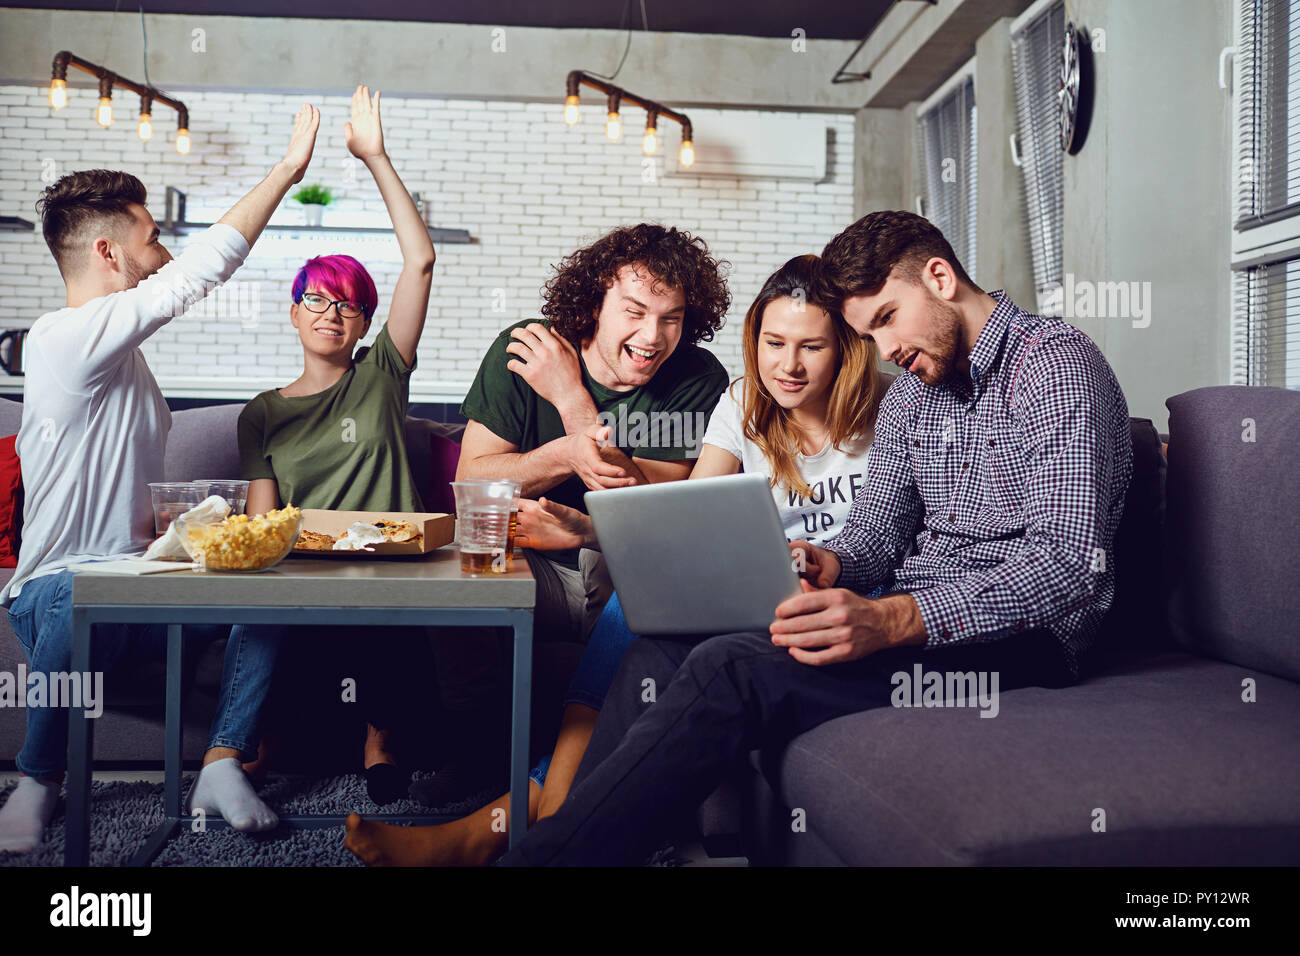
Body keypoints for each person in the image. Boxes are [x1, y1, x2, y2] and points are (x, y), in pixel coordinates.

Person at [492, 209, 1135, 865]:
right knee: (660, 647)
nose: (884, 352)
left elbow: (1069, 564)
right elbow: (875, 540)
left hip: (1023, 642)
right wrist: (825, 563)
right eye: (867, 333)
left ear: (939, 277)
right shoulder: (917, 391)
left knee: (732, 668)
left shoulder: (1054, 366)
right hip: (908, 616)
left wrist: (893, 617)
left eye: (885, 319)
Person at [344, 253, 891, 865]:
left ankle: (527, 821)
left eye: (811, 346)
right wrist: (580, 525)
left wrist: (573, 403)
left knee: (635, 606)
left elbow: (651, 499)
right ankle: (539, 816)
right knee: (638, 606)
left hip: (833, 600)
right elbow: (683, 522)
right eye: (773, 342)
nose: (788, 365)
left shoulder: (890, 412)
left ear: (846, 347)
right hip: (745, 588)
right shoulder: (744, 404)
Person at [0, 105, 322, 852]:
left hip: (141, 588)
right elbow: (204, 271)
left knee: (271, 586)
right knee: (79, 590)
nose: (166, 252)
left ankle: (219, 761)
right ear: (109, 252)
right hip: (56, 595)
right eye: (153, 239)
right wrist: (284, 172)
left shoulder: (121, 360)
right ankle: (39, 781)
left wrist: (185, 534)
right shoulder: (62, 339)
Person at [400, 223, 734, 803]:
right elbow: (470, 480)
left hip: (628, 565)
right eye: (634, 310)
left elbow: (658, 503)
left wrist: (571, 400)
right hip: (534, 564)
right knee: (453, 574)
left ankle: (574, 781)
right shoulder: (528, 348)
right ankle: (480, 754)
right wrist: (563, 454)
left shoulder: (697, 377)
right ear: (596, 300)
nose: (653, 336)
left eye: (672, 317)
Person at [230, 86, 438, 806]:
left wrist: (375, 157)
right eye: (316, 298)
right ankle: (265, 741)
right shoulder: (260, 415)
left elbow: (420, 262)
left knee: (385, 622)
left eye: (348, 303)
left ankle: (380, 741)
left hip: (390, 567)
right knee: (278, 620)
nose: (331, 311)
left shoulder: (381, 376)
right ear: (293, 313)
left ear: (362, 324)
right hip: (307, 568)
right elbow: (260, 525)